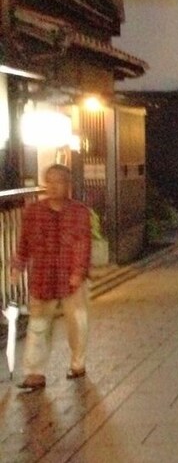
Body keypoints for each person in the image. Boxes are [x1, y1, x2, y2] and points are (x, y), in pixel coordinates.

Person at [12, 164, 92, 390]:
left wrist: (78, 271)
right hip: (43, 275)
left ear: (68, 185)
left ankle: (78, 364)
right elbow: (25, 241)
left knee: (77, 322)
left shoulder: (79, 212)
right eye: (50, 181)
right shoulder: (33, 212)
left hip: (71, 276)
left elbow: (83, 243)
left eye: (59, 181)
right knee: (38, 325)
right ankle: (34, 373)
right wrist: (18, 265)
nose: (54, 186)